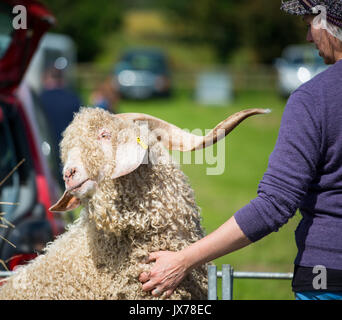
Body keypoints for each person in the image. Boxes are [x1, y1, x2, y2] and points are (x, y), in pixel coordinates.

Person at [139, 0, 342, 300]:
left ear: (331, 22)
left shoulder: (314, 99)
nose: (309, 37)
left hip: (328, 278)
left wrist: (183, 260)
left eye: (311, 24)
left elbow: (275, 203)